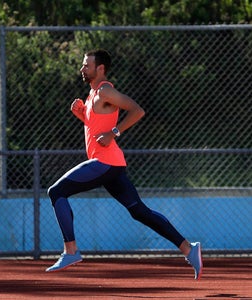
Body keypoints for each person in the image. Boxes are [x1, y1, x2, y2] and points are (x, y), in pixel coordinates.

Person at [46, 49, 203, 279]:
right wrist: (81, 115)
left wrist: (115, 132)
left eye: (86, 65)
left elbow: (138, 110)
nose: (82, 69)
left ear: (100, 68)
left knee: (56, 192)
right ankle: (190, 249)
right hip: (111, 165)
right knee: (139, 212)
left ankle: (71, 250)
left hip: (105, 163)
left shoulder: (105, 91)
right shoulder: (91, 96)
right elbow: (95, 130)